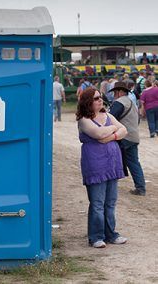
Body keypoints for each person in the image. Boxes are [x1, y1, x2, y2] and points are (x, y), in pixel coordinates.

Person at [76, 88, 128, 248]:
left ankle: (111, 234)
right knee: (98, 203)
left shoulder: (108, 115)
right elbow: (98, 134)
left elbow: (125, 130)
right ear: (88, 102)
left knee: (110, 202)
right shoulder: (84, 120)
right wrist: (114, 129)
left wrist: (111, 136)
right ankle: (96, 236)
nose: (100, 100)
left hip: (112, 164)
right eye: (96, 98)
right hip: (95, 164)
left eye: (101, 97)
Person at [109, 82, 147, 196]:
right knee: (134, 162)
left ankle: (109, 186)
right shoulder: (131, 102)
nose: (114, 94)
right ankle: (140, 188)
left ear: (120, 92)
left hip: (123, 137)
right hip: (133, 136)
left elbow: (110, 118)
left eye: (115, 92)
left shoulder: (119, 103)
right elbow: (138, 120)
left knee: (111, 159)